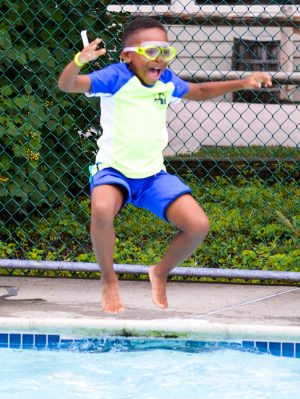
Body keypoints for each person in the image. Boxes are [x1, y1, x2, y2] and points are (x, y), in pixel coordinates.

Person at [58, 17, 272, 313]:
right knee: (102, 209)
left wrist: (242, 81)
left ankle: (159, 271)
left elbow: (199, 91)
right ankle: (109, 279)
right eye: (151, 51)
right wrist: (79, 60)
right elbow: (67, 84)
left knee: (198, 225)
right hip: (113, 169)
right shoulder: (115, 78)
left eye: (165, 51)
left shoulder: (166, 80)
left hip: (152, 175)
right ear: (128, 56)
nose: (159, 59)